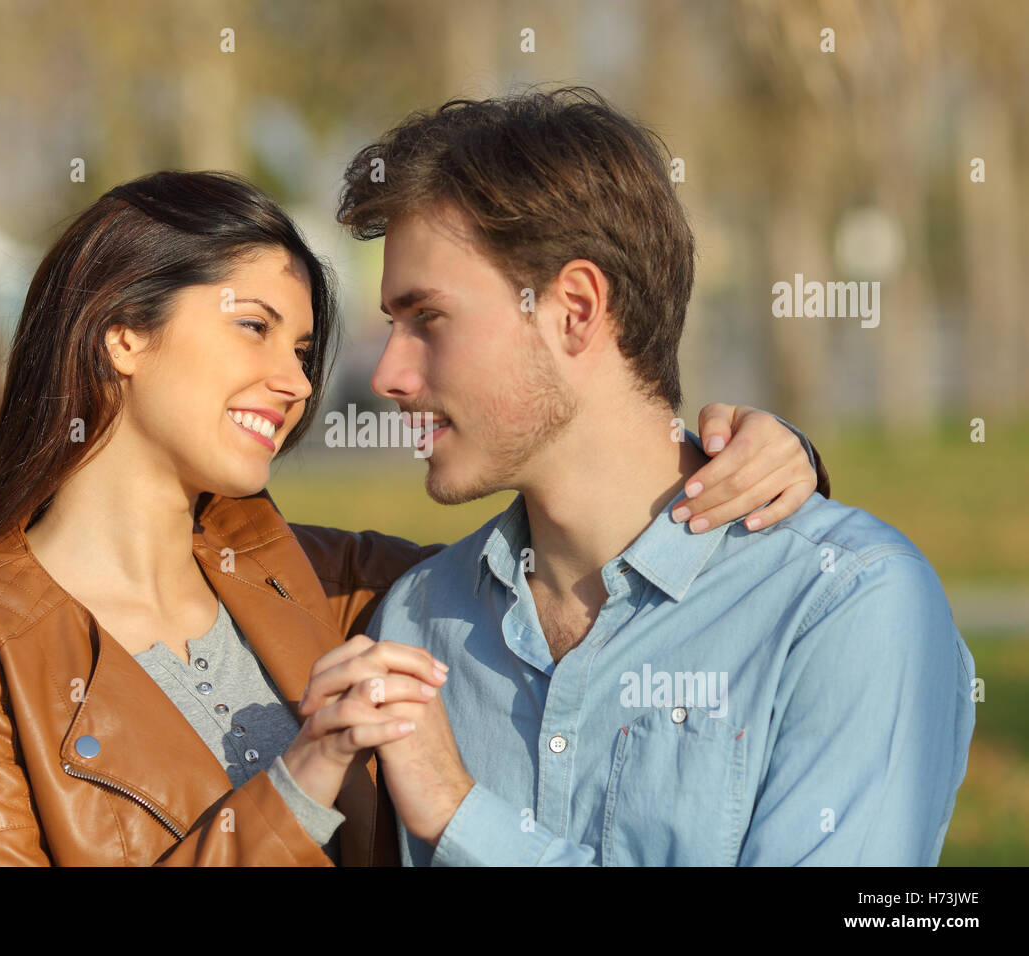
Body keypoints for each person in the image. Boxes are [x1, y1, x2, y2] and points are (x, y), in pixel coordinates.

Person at [0, 169, 828, 866]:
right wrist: (300, 777)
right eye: (254, 329)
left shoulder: (344, 585)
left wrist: (764, 459)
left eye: (307, 347)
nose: (292, 382)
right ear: (122, 331)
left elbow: (584, 566)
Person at [331, 86, 977, 866]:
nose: (390, 373)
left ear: (573, 309)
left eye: (427, 318)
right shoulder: (418, 622)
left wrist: (463, 818)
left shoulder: (848, 605)